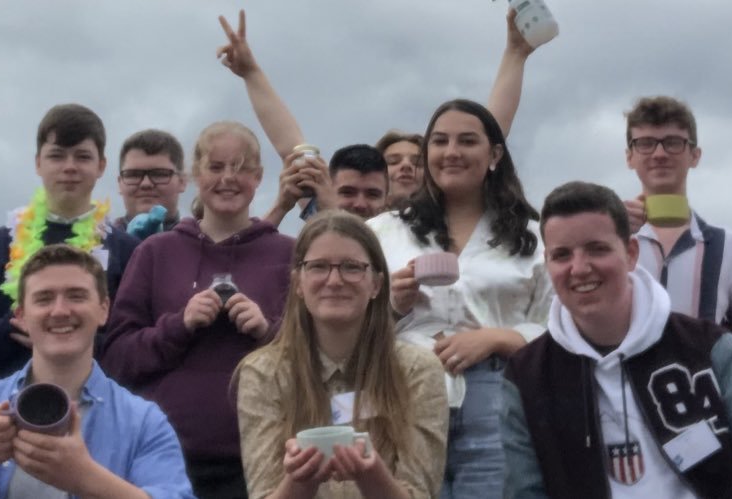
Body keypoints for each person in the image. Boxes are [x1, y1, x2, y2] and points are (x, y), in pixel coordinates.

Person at [502, 181, 732, 498]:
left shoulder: (709, 348)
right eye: (561, 255)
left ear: (630, 253)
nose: (580, 268)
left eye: (597, 249)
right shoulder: (525, 377)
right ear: (547, 265)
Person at [366, 99, 552, 498]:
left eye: (467, 141)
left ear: (495, 154)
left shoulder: (534, 239)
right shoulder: (383, 231)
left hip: (498, 391)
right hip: (403, 391)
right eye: (439, 142)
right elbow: (347, 326)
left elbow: (560, 326)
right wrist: (395, 306)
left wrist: (498, 338)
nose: (451, 152)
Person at [0, 245, 193, 499]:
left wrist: (87, 479)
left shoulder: (144, 423)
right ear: (21, 316)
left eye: (76, 296)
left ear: (104, 310)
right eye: (43, 299)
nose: (59, 311)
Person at [102, 120, 294, 498]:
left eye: (240, 168)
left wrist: (266, 332)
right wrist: (179, 325)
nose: (228, 179)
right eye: (217, 167)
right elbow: (116, 358)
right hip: (166, 458)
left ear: (258, 177)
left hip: (264, 457)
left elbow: (317, 357)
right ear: (195, 175)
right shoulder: (156, 253)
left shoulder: (288, 255)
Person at [212, 9, 543, 223]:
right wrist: (251, 74)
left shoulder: (437, 223)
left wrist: (515, 54)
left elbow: (488, 132)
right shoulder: (332, 207)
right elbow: (294, 149)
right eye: (393, 160)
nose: (404, 168)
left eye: (415, 161)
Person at [235, 211, 449, 499]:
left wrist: (372, 476)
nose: (334, 280)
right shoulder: (263, 373)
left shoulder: (418, 370)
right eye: (318, 267)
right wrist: (300, 481)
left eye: (351, 267)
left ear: (376, 284)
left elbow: (420, 494)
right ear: (298, 282)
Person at [0, 103, 140, 391]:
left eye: (83, 157)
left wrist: (67, 335)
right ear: (38, 163)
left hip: (96, 408)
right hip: (6, 411)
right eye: (57, 156)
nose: (70, 167)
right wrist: (15, 327)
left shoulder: (128, 250)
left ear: (101, 165)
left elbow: (133, 351)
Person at [618, 96, 732, 396]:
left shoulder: (730, 249)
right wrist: (611, 232)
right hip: (625, 412)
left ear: (695, 155)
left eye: (674, 142)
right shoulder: (609, 245)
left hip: (711, 412)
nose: (660, 153)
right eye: (646, 143)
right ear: (630, 156)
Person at [114, 129, 189, 239]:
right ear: (120, 184)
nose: (146, 184)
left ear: (182, 182)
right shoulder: (93, 247)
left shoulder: (205, 247)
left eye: (159, 174)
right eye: (134, 175)